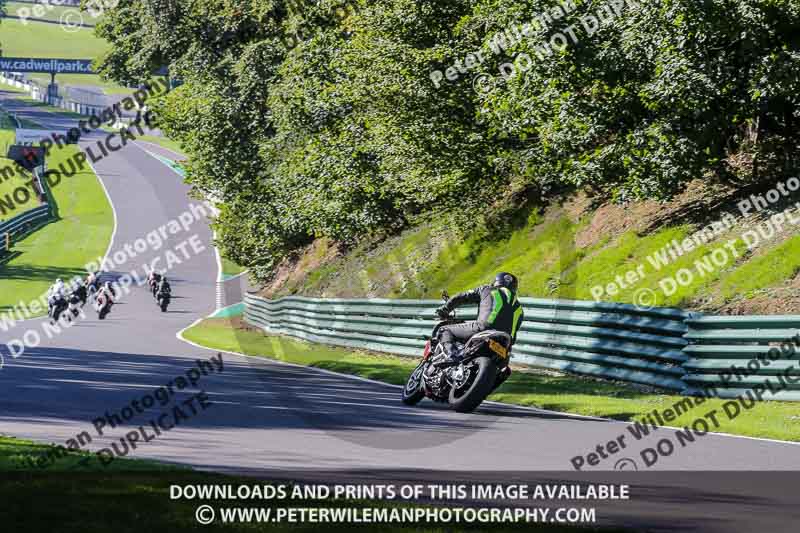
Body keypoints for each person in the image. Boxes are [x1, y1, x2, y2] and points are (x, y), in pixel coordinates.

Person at [436, 272, 525, 362]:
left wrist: (445, 309)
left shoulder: (487, 289)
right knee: (503, 367)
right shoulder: (520, 309)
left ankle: (452, 355)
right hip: (506, 342)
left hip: (484, 328)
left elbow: (461, 297)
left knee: (444, 330)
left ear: (496, 282)